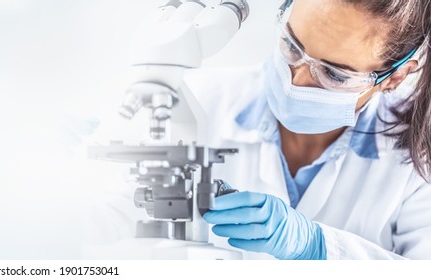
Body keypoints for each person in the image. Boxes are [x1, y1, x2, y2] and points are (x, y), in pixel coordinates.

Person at [87, 0, 431, 259]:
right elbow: (113, 211)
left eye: (335, 74)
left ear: (396, 76)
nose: (296, 79)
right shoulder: (202, 100)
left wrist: (319, 248)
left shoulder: (419, 161)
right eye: (292, 46)